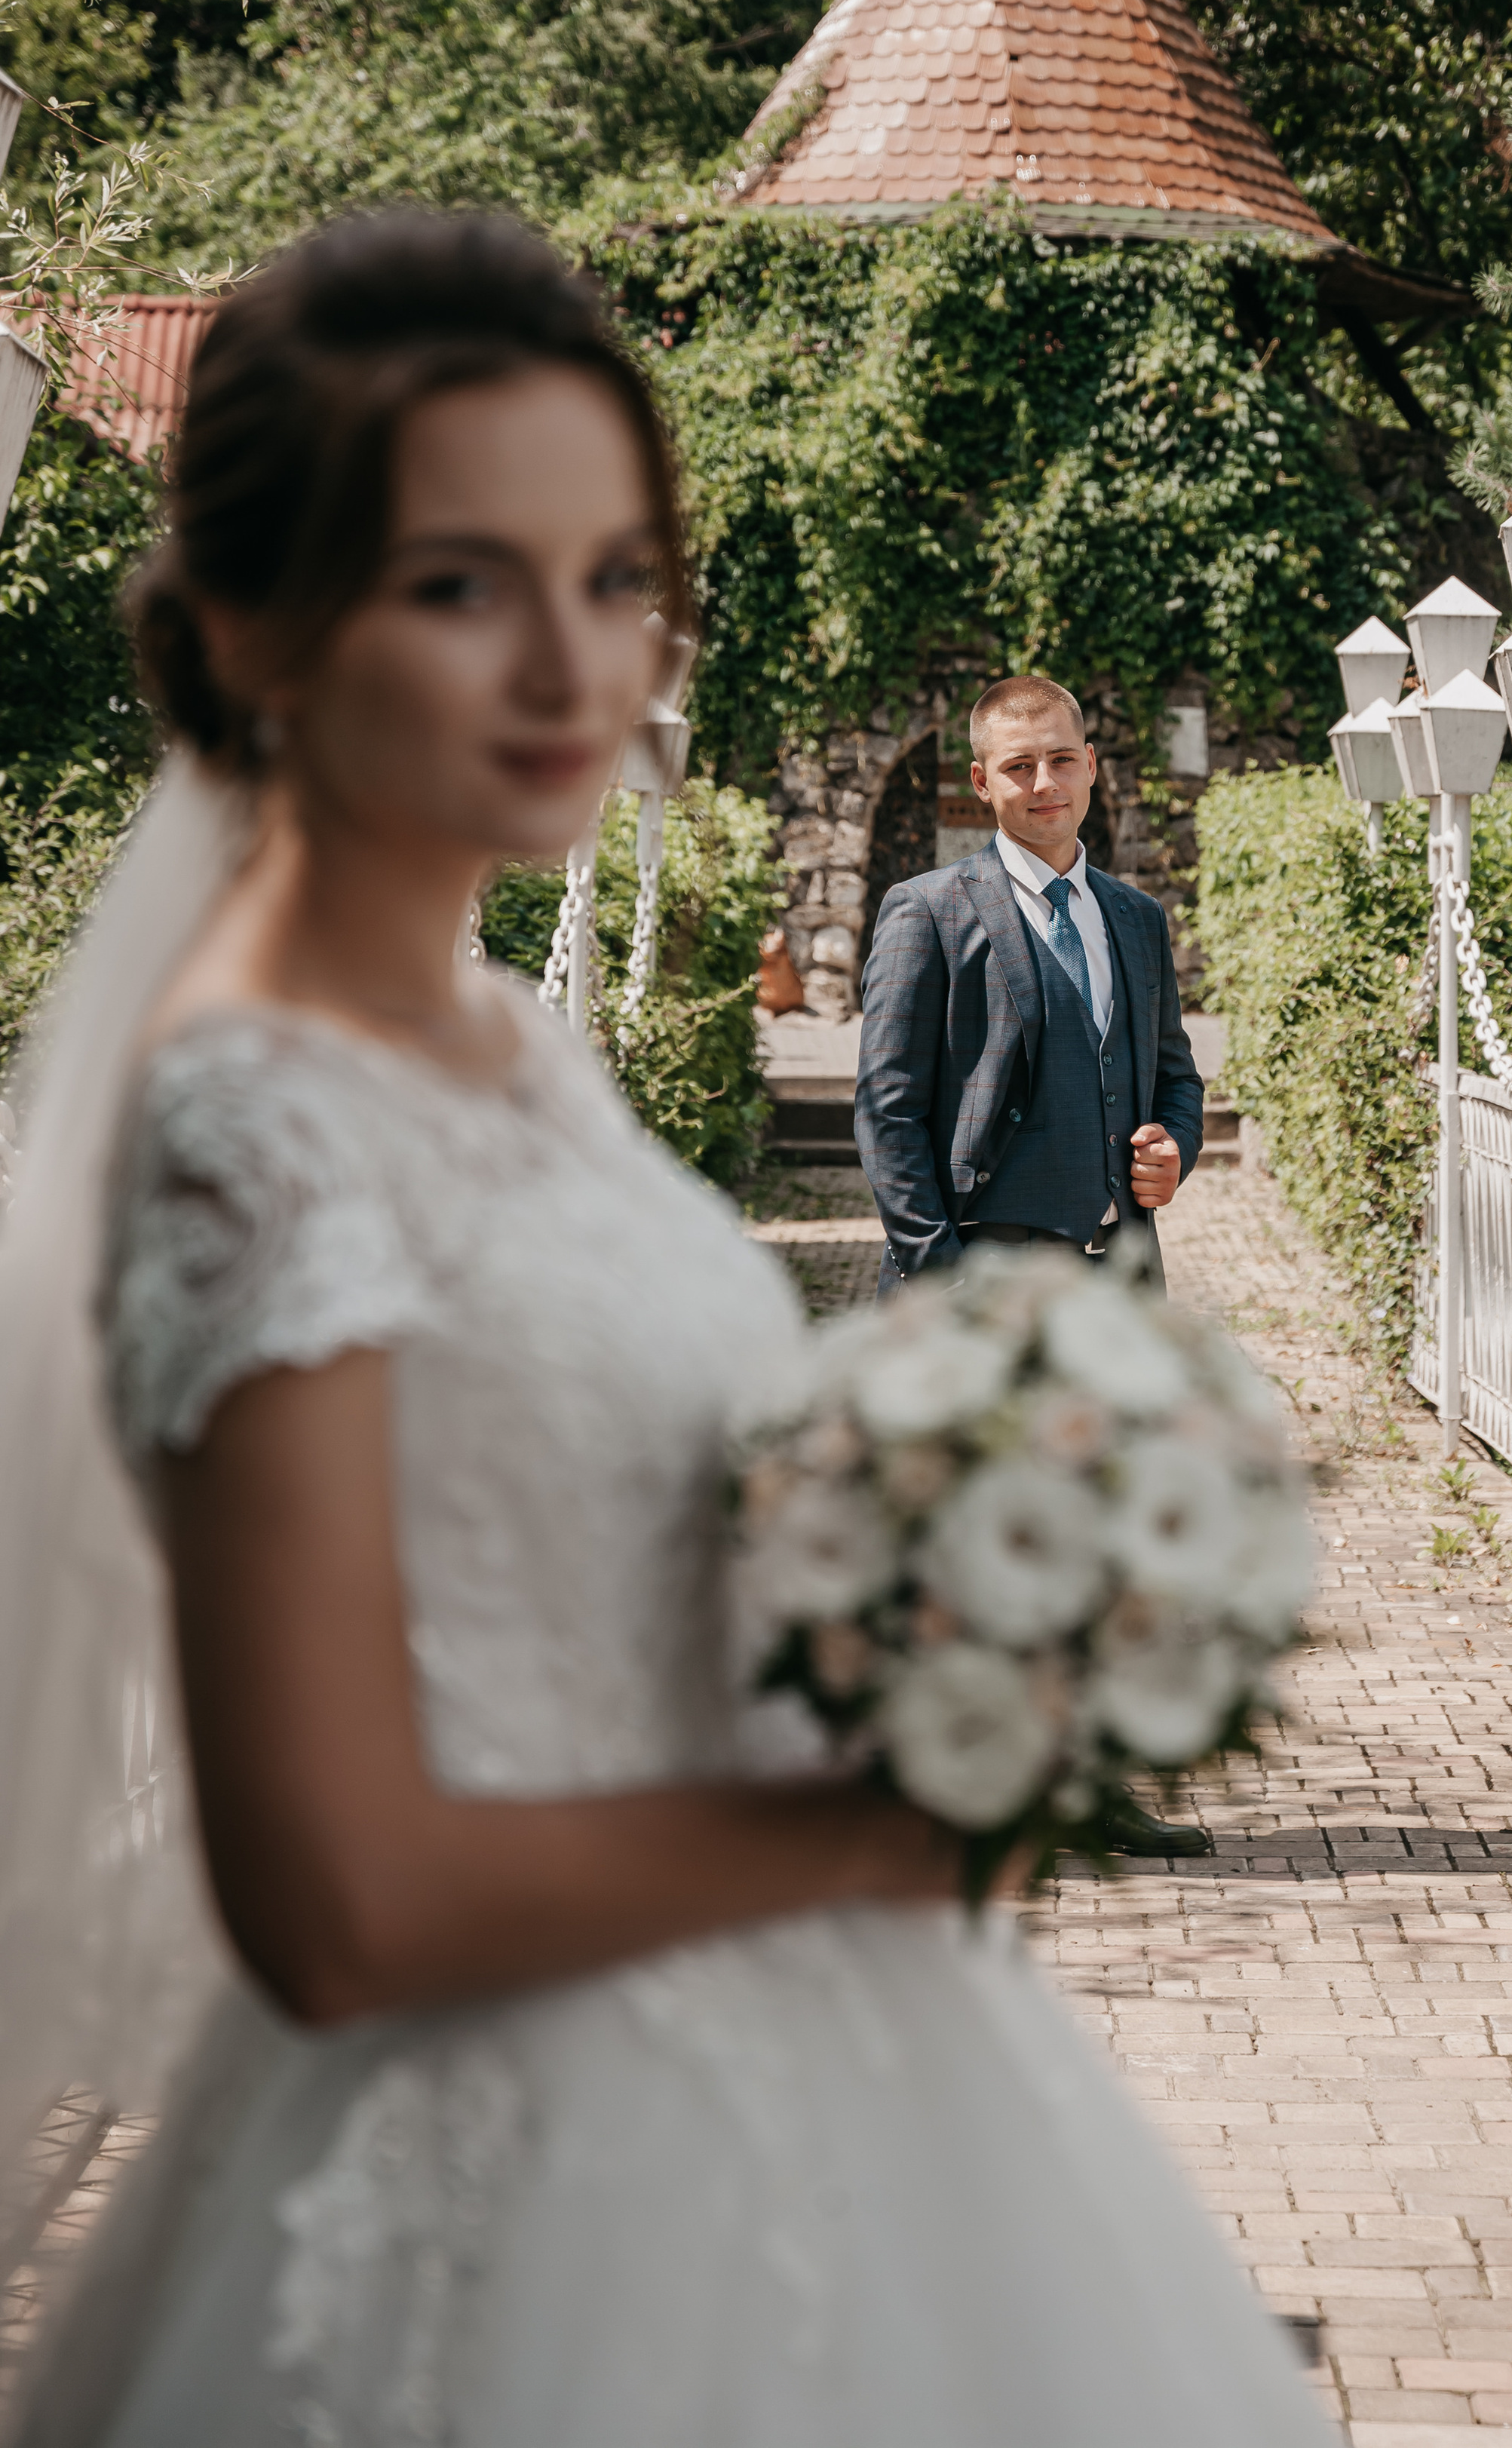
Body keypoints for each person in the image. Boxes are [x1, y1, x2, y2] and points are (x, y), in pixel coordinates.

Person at [0, 213, 1323, 2446]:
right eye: (460, 581)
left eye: (614, 578)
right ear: (250, 623)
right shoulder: (248, 1126)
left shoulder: (514, 1045)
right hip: (519, 2179)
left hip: (809, 2070)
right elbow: (338, 1900)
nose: (567, 662)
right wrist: (880, 1833)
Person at [854, 675, 1215, 1860]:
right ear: (982, 783)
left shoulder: (1136, 920)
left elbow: (1172, 1077)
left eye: (1061, 759)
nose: (1044, 782)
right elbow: (888, 1113)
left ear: (1091, 766)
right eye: (1019, 766)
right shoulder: (929, 911)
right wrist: (942, 1276)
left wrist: (1173, 1149)